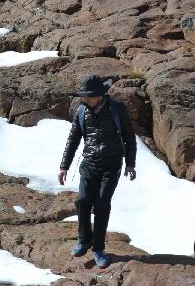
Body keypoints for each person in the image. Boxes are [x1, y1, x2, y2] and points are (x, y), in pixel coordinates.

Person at [58, 75, 137, 268]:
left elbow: (129, 137)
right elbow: (73, 139)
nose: (85, 99)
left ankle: (98, 248)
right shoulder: (81, 111)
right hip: (89, 163)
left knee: (102, 204)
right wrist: (64, 166)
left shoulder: (117, 109)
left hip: (112, 165)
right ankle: (84, 240)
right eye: (84, 96)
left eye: (89, 96)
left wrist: (130, 164)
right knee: (83, 201)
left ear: (99, 95)